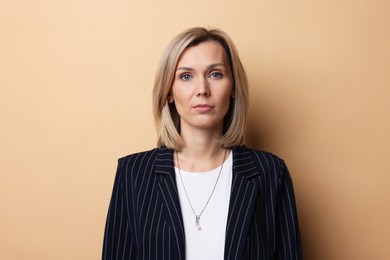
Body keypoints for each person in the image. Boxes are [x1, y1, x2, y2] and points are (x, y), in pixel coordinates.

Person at [102, 27, 302, 260]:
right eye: (186, 76)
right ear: (168, 91)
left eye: (215, 74)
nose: (202, 90)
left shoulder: (270, 172)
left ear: (234, 87)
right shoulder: (134, 173)